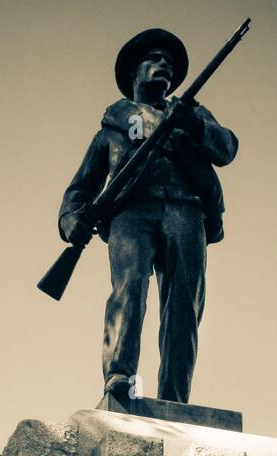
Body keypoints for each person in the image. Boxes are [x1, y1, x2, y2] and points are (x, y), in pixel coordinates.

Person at [58, 28, 238, 404]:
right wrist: (71, 217)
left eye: (169, 63)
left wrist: (195, 126)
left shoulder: (190, 113)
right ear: (133, 72)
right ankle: (119, 377)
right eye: (154, 59)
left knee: (184, 306)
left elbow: (227, 147)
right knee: (129, 289)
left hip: (186, 211)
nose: (164, 66)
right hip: (131, 214)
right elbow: (81, 185)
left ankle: (175, 398)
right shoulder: (112, 126)